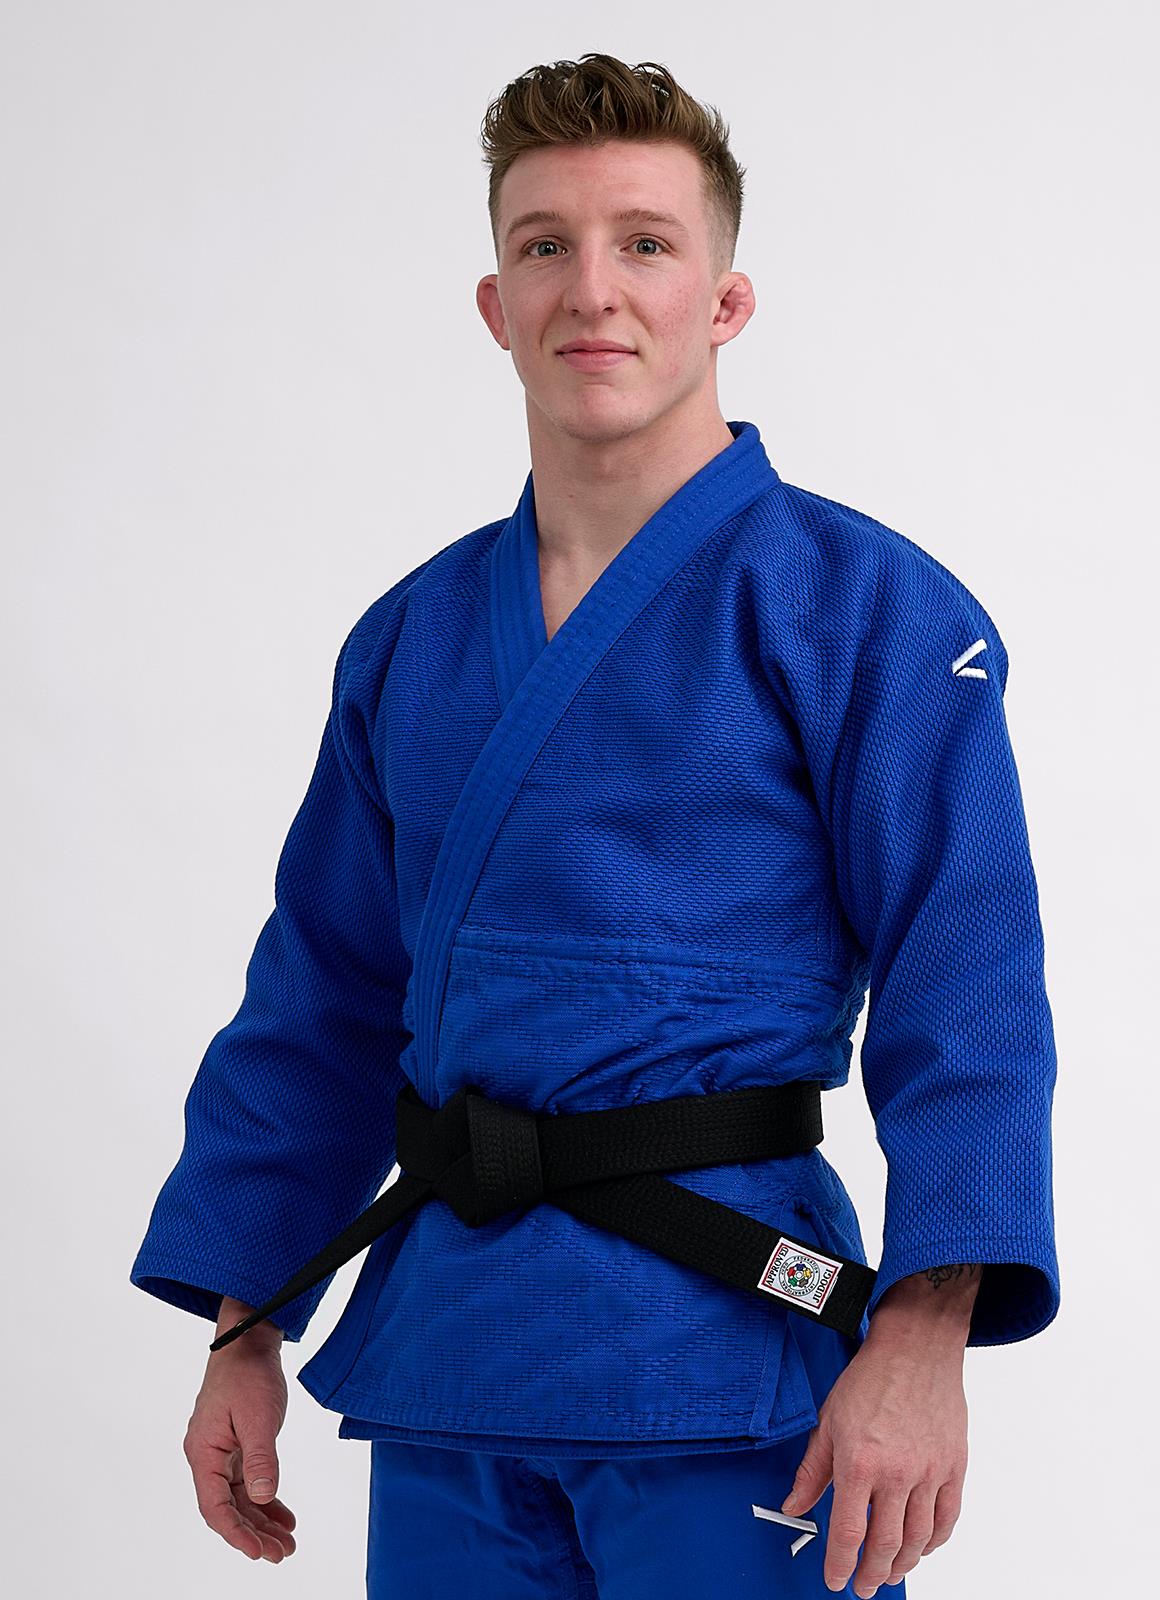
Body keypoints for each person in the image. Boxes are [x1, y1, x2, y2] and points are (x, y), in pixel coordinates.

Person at [130, 53, 1059, 1600]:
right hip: (456, 1358)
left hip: (727, 1344)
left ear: (725, 300)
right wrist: (244, 1320)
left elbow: (966, 986)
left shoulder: (867, 613)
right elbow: (323, 994)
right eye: (544, 245)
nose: (592, 290)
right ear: (495, 303)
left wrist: (925, 1329)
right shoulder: (413, 638)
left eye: (645, 242)